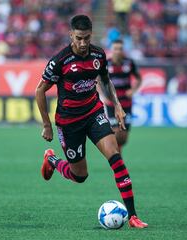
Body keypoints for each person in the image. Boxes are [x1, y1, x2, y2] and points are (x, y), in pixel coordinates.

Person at [35, 15, 147, 228]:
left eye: (87, 38)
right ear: (71, 35)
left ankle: (132, 216)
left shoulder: (98, 54)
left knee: (116, 157)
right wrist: (47, 125)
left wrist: (118, 105)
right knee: (80, 176)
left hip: (94, 113)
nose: (83, 43)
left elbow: (105, 80)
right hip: (69, 122)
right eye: (79, 38)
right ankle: (52, 160)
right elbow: (40, 90)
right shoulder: (60, 61)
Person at [104, 39, 142, 153]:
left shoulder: (129, 63)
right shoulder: (106, 64)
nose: (118, 51)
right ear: (111, 50)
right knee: (116, 132)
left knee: (124, 137)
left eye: (120, 48)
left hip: (126, 103)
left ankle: (116, 155)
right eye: (115, 48)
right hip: (112, 104)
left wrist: (133, 90)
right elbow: (98, 80)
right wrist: (103, 95)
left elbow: (139, 79)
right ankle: (116, 161)